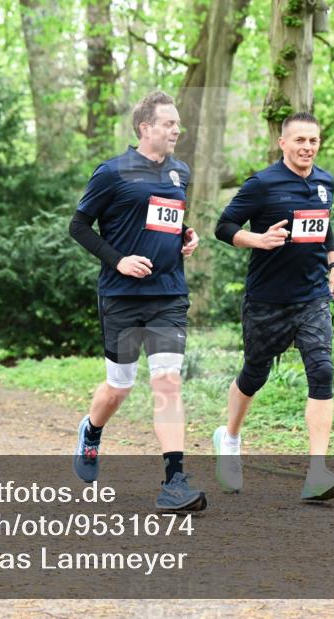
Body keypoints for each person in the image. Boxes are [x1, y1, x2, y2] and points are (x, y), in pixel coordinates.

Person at [68, 91, 205, 512]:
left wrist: (186, 235)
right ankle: (91, 430)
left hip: (168, 293)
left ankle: (174, 480)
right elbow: (79, 226)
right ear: (145, 128)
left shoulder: (180, 172)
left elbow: (164, 217)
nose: (176, 130)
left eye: (178, 123)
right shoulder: (112, 172)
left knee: (167, 381)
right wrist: (119, 260)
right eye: (168, 123)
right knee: (120, 386)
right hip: (122, 295)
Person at [212, 111, 334, 501]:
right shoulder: (262, 184)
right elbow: (223, 226)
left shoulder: (325, 181)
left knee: (322, 370)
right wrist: (256, 240)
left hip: (312, 298)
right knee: (255, 373)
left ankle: (317, 472)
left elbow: (324, 226)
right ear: (283, 143)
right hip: (266, 300)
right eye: (300, 141)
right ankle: (230, 437)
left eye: (314, 141)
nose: (307, 147)